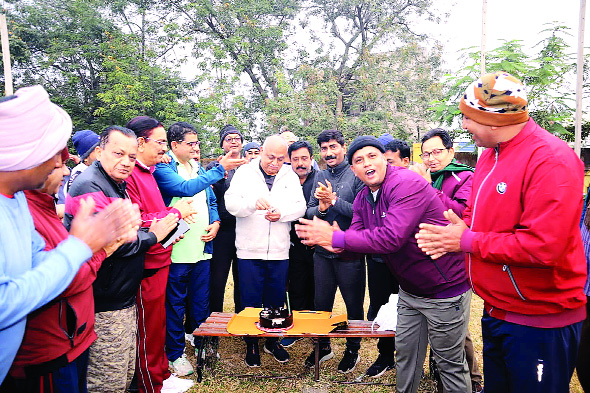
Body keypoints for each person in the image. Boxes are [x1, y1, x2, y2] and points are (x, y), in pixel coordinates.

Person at [416, 71, 587, 393]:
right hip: (499, 310)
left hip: (540, 319)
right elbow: (482, 221)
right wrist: (461, 229)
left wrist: (466, 240)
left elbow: (543, 247)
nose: (464, 126)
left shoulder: (551, 160)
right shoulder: (490, 156)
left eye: (468, 118)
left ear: (493, 121)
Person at [295, 135, 472, 393]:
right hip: (410, 292)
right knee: (406, 359)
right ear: (353, 169)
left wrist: (336, 236)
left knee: (450, 365)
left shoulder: (405, 183)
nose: (367, 163)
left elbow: (391, 238)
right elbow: (354, 238)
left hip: (445, 290)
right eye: (359, 160)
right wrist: (334, 243)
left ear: (383, 160)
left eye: (372, 156)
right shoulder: (363, 198)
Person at [0, 85, 139, 387]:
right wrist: (80, 246)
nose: (61, 167)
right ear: (28, 151)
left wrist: (94, 246)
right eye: (56, 155)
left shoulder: (18, 199)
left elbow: (45, 267)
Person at [65, 125, 176, 393]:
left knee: (123, 373)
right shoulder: (90, 185)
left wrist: (152, 233)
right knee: (107, 380)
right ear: (99, 151)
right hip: (104, 302)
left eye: (131, 156)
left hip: (121, 296)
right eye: (118, 154)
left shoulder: (115, 182)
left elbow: (129, 229)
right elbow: (113, 242)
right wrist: (153, 236)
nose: (126, 162)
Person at [10, 159, 125, 393]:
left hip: (74, 338)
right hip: (51, 349)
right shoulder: (25, 212)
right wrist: (99, 252)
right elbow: (60, 282)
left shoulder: (43, 204)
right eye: (56, 166)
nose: (65, 172)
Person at [125, 116, 197, 393]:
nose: (164, 150)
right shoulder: (131, 174)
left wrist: (173, 225)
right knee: (147, 327)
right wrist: (176, 213)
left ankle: (160, 374)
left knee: (158, 324)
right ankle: (150, 382)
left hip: (161, 256)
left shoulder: (149, 172)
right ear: (141, 142)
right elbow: (139, 219)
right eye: (160, 143)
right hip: (146, 262)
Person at [225, 135, 306, 367]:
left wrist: (282, 214)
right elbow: (230, 204)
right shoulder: (244, 173)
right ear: (261, 151)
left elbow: (299, 207)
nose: (275, 163)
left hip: (279, 250)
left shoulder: (289, 175)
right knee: (250, 300)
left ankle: (271, 341)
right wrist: (251, 204)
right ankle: (251, 342)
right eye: (271, 157)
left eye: (281, 159)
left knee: (276, 299)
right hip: (250, 249)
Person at [412, 128, 481, 392]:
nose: (430, 158)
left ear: (451, 152)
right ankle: (441, 374)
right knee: (438, 328)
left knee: (457, 332)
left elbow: (462, 213)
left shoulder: (464, 177)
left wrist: (427, 188)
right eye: (426, 153)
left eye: (437, 152)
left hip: (452, 262)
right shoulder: (426, 176)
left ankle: (472, 382)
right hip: (426, 259)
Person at [153, 122, 222, 376]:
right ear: (174, 145)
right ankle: (175, 352)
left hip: (201, 249)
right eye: (191, 143)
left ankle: (199, 339)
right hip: (177, 251)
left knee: (200, 300)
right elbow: (184, 190)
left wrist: (215, 222)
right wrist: (221, 169)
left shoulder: (197, 167)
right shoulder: (164, 168)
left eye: (197, 142)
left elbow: (210, 200)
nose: (196, 147)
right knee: (175, 303)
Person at [304, 129, 366, 374]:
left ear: (343, 147)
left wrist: (333, 201)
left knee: (353, 305)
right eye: (324, 148)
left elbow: (362, 212)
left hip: (349, 251)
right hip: (322, 253)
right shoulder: (319, 175)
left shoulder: (356, 175)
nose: (328, 153)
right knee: (321, 305)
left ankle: (353, 349)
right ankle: (323, 346)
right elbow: (309, 211)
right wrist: (320, 208)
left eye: (333, 147)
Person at [363, 138, 408, 378]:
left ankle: (412, 360)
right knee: (382, 307)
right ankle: (385, 356)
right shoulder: (368, 192)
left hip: (407, 264)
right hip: (379, 262)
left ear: (405, 162)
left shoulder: (410, 188)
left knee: (411, 312)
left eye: (389, 162)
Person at [280, 141, 318, 348]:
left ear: (311, 159)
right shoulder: (285, 180)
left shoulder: (319, 180)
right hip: (291, 244)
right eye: (295, 159)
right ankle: (296, 327)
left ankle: (314, 329)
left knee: (316, 288)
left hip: (316, 244)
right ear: (290, 161)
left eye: (304, 158)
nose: (300, 163)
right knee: (295, 287)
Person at [206, 125, 247, 315]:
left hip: (245, 230)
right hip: (222, 231)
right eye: (229, 139)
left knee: (243, 279)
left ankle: (242, 317)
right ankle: (214, 318)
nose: (233, 141)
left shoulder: (249, 167)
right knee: (218, 278)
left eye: (237, 138)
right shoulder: (213, 167)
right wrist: (221, 173)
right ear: (222, 144)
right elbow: (212, 196)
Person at [65, 129, 100, 195]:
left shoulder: (100, 171)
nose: (102, 152)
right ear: (86, 157)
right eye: (97, 150)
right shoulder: (79, 179)